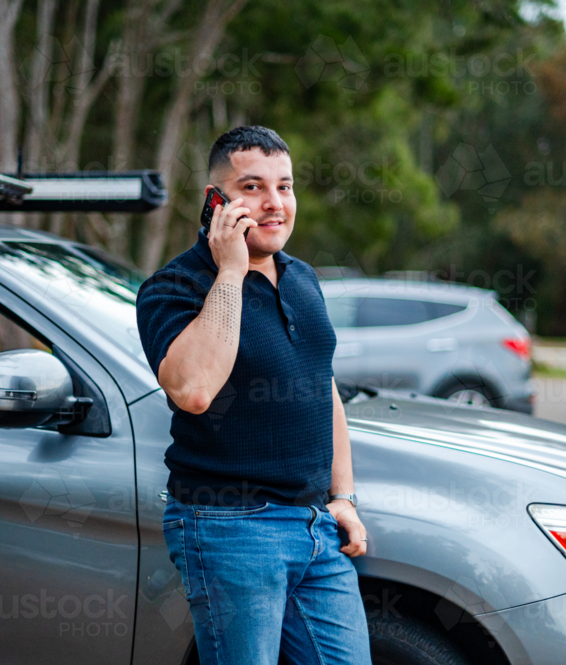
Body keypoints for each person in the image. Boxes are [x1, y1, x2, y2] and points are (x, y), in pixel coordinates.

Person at [135, 126, 372, 665]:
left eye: (285, 187)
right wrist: (232, 271)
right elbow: (193, 390)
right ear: (215, 201)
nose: (274, 204)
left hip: (316, 531)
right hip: (231, 529)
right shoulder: (174, 288)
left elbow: (322, 385)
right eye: (253, 187)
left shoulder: (303, 279)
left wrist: (344, 497)